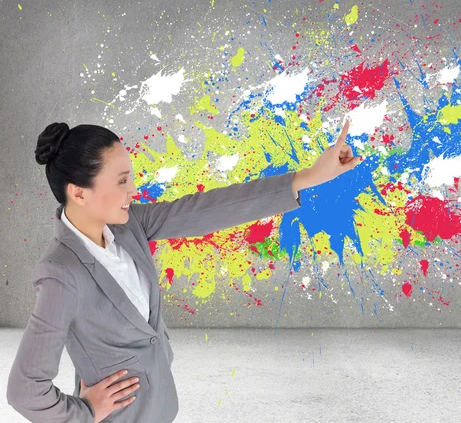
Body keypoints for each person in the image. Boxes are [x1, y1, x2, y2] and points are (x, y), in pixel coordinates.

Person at [6, 119, 359, 422]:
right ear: (79, 194)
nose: (134, 190)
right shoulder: (61, 272)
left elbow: (210, 208)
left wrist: (308, 177)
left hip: (159, 408)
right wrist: (84, 414)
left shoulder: (129, 227)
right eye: (122, 181)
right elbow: (25, 390)